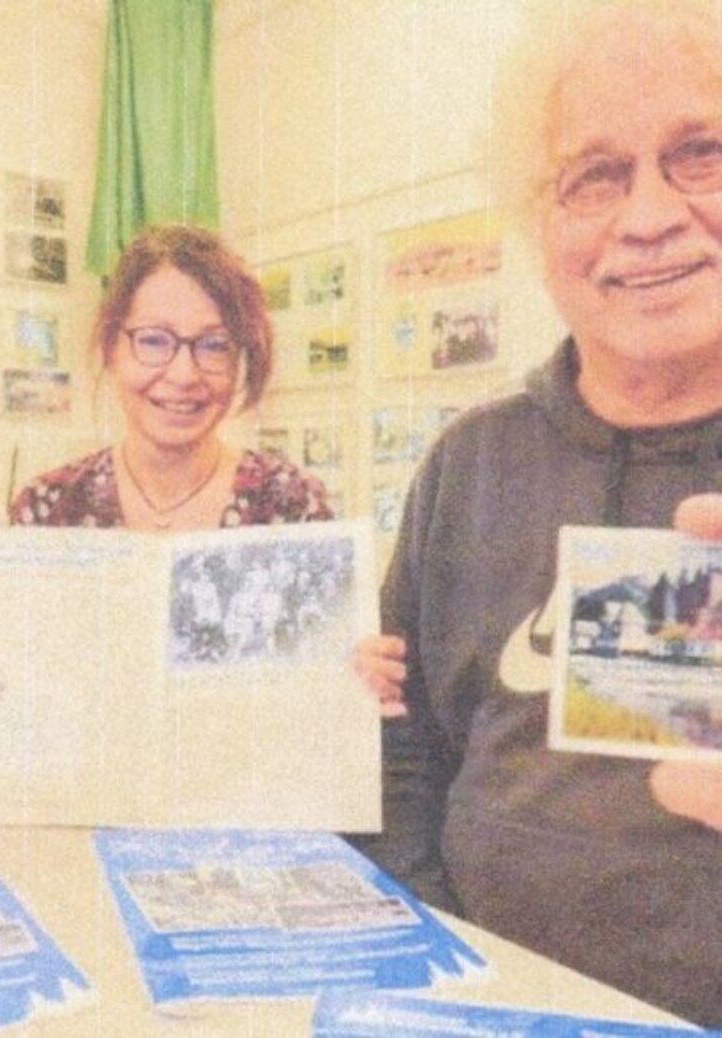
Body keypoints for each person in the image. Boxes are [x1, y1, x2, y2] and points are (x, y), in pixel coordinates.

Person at [354, 0, 722, 1025]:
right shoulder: (469, 464)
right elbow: (406, 744)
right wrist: (438, 945)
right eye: (595, 175)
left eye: (700, 153)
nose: (647, 218)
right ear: (540, 220)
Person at [10, 225, 333, 530]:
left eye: (214, 345)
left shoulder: (293, 506)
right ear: (111, 349)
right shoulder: (46, 510)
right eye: (153, 341)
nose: (184, 375)